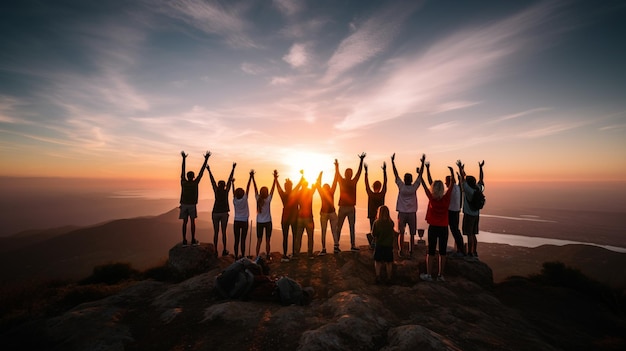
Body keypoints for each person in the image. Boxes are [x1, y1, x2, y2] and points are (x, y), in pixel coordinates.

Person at [419, 166, 455, 282]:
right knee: (443, 252)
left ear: (433, 188)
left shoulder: (431, 198)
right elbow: (452, 184)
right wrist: (452, 172)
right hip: (444, 227)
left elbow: (424, 185)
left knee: (431, 251)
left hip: (433, 228)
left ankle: (429, 275)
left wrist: (421, 172)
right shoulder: (446, 198)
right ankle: (441, 275)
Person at [426, 162, 464, 257]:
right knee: (455, 230)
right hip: (456, 211)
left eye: (446, 181)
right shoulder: (458, 188)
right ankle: (460, 249)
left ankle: (461, 249)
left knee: (454, 230)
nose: (445, 183)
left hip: (451, 212)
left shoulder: (448, 192)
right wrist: (458, 170)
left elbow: (431, 183)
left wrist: (426, 169)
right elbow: (461, 179)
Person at [391, 153, 425, 257]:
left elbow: (395, 174)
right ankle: (411, 252)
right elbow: (420, 176)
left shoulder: (401, 186)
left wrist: (392, 162)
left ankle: (401, 250)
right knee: (412, 233)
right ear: (411, 180)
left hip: (402, 213)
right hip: (412, 213)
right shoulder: (414, 187)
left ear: (404, 179)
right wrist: (422, 162)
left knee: (401, 233)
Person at [334, 152, 366, 252]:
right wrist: (361, 161)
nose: (350, 174)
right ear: (350, 174)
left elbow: (338, 174)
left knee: (340, 227)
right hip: (349, 207)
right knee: (351, 227)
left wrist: (337, 166)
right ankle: (351, 245)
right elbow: (359, 172)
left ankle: (336, 246)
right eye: (350, 173)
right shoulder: (353, 181)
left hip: (344, 207)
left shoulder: (343, 181)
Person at [178, 150, 210, 246]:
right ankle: (192, 240)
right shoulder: (195, 183)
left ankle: (184, 240)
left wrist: (183, 159)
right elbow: (201, 171)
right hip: (192, 205)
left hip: (183, 204)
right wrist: (206, 159)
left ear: (187, 176)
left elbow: (182, 170)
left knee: (184, 223)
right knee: (192, 222)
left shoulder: (183, 182)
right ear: (193, 177)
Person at [457, 160, 485, 260]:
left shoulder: (468, 190)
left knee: (469, 235)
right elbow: (481, 179)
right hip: (476, 214)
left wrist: (460, 168)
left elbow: (462, 180)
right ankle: (475, 251)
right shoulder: (478, 188)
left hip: (469, 215)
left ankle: (469, 252)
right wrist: (481, 167)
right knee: (473, 234)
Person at [208, 161, 236, 256]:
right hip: (224, 213)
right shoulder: (226, 191)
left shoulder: (216, 191)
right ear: (224, 186)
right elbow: (229, 180)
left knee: (216, 232)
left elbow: (212, 181)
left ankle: (215, 250)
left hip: (215, 212)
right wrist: (233, 169)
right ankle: (224, 250)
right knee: (224, 232)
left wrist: (209, 170)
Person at [293, 171, 319, 259]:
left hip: (300, 217)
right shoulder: (309, 191)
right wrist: (318, 176)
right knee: (310, 236)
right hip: (308, 217)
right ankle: (310, 253)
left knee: (298, 236)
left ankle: (296, 253)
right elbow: (316, 186)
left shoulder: (299, 193)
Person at [275, 173, 300, 262]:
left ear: (285, 187)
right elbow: (299, 184)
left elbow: (278, 189)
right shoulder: (294, 193)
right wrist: (302, 176)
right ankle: (294, 254)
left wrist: (276, 179)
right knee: (294, 236)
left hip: (285, 218)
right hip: (294, 217)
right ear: (291, 186)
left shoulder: (284, 195)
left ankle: (285, 255)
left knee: (285, 237)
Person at [252, 170, 276, 258]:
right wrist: (275, 179)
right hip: (268, 221)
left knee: (259, 240)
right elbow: (273, 189)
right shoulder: (268, 199)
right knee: (267, 240)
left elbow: (255, 188)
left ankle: (257, 255)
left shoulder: (258, 199)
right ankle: (268, 255)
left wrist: (252, 178)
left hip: (259, 222)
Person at [372, 205, 396, 284]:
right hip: (388, 245)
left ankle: (377, 276)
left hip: (379, 245)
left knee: (377, 261)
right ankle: (389, 278)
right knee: (389, 262)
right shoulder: (391, 223)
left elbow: (374, 234)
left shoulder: (376, 222)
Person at [231, 170, 253, 259]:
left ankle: (236, 256)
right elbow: (248, 187)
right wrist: (250, 177)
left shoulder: (235, 200)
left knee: (236, 240)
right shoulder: (244, 199)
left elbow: (233, 193)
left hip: (236, 221)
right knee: (243, 239)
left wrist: (233, 184)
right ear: (243, 193)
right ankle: (243, 256)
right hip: (244, 221)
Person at [316, 171, 338, 256]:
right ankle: (336, 247)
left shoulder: (322, 193)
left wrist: (320, 175)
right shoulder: (331, 192)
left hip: (324, 213)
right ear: (328, 188)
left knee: (323, 231)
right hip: (332, 212)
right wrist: (336, 168)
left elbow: (318, 184)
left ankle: (323, 249)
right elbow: (335, 181)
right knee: (334, 231)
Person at [365, 162, 388, 231]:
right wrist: (384, 171)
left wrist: (366, 172)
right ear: (380, 186)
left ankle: (373, 241)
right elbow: (385, 182)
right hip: (381, 216)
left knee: (372, 230)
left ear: (373, 186)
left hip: (372, 215)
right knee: (380, 231)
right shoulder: (382, 194)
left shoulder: (370, 194)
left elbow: (366, 183)